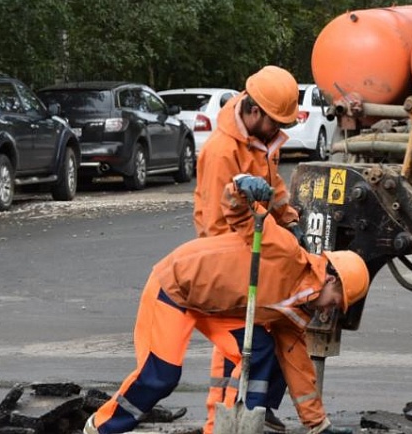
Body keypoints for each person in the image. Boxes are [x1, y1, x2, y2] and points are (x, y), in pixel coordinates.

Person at [83, 177, 370, 434]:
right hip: (176, 286)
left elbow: (299, 369)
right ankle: (101, 427)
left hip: (215, 307)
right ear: (331, 279)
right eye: (336, 302)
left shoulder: (294, 315)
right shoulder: (286, 252)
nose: (329, 310)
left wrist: (318, 424)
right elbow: (240, 213)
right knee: (161, 376)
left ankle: (227, 428)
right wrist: (240, 187)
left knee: (260, 349)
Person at [194, 65, 304, 433]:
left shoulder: (261, 139)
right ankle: (229, 414)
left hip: (259, 248)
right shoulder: (222, 152)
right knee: (244, 344)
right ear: (254, 110)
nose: (280, 129)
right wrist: (240, 267)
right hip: (229, 259)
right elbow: (215, 224)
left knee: (283, 331)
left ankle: (259, 409)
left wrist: (290, 221)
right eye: (277, 122)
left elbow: (274, 189)